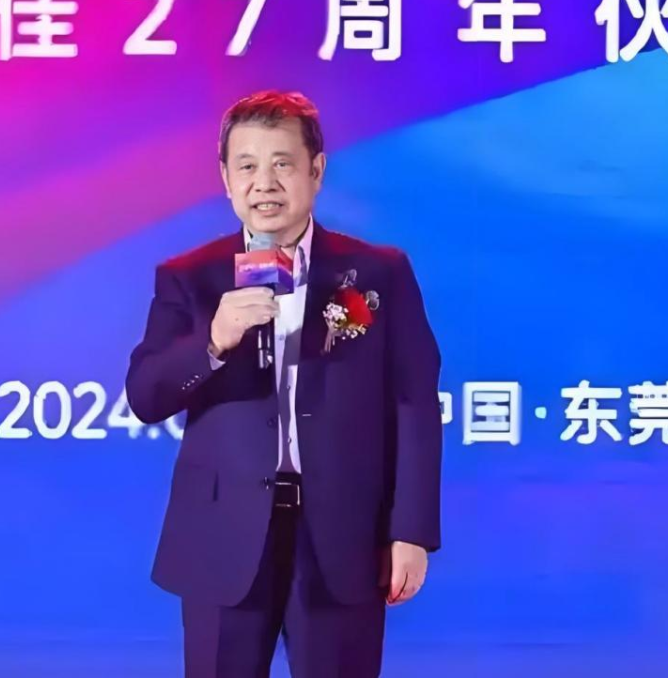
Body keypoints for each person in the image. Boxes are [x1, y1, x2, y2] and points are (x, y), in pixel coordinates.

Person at [126, 89, 442, 678]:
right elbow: (145, 395)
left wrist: (411, 532)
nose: (264, 184)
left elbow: (414, 404)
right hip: (223, 536)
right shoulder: (189, 278)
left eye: (281, 164)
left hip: (344, 536)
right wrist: (214, 340)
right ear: (225, 178)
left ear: (316, 170)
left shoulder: (379, 273)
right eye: (246, 166)